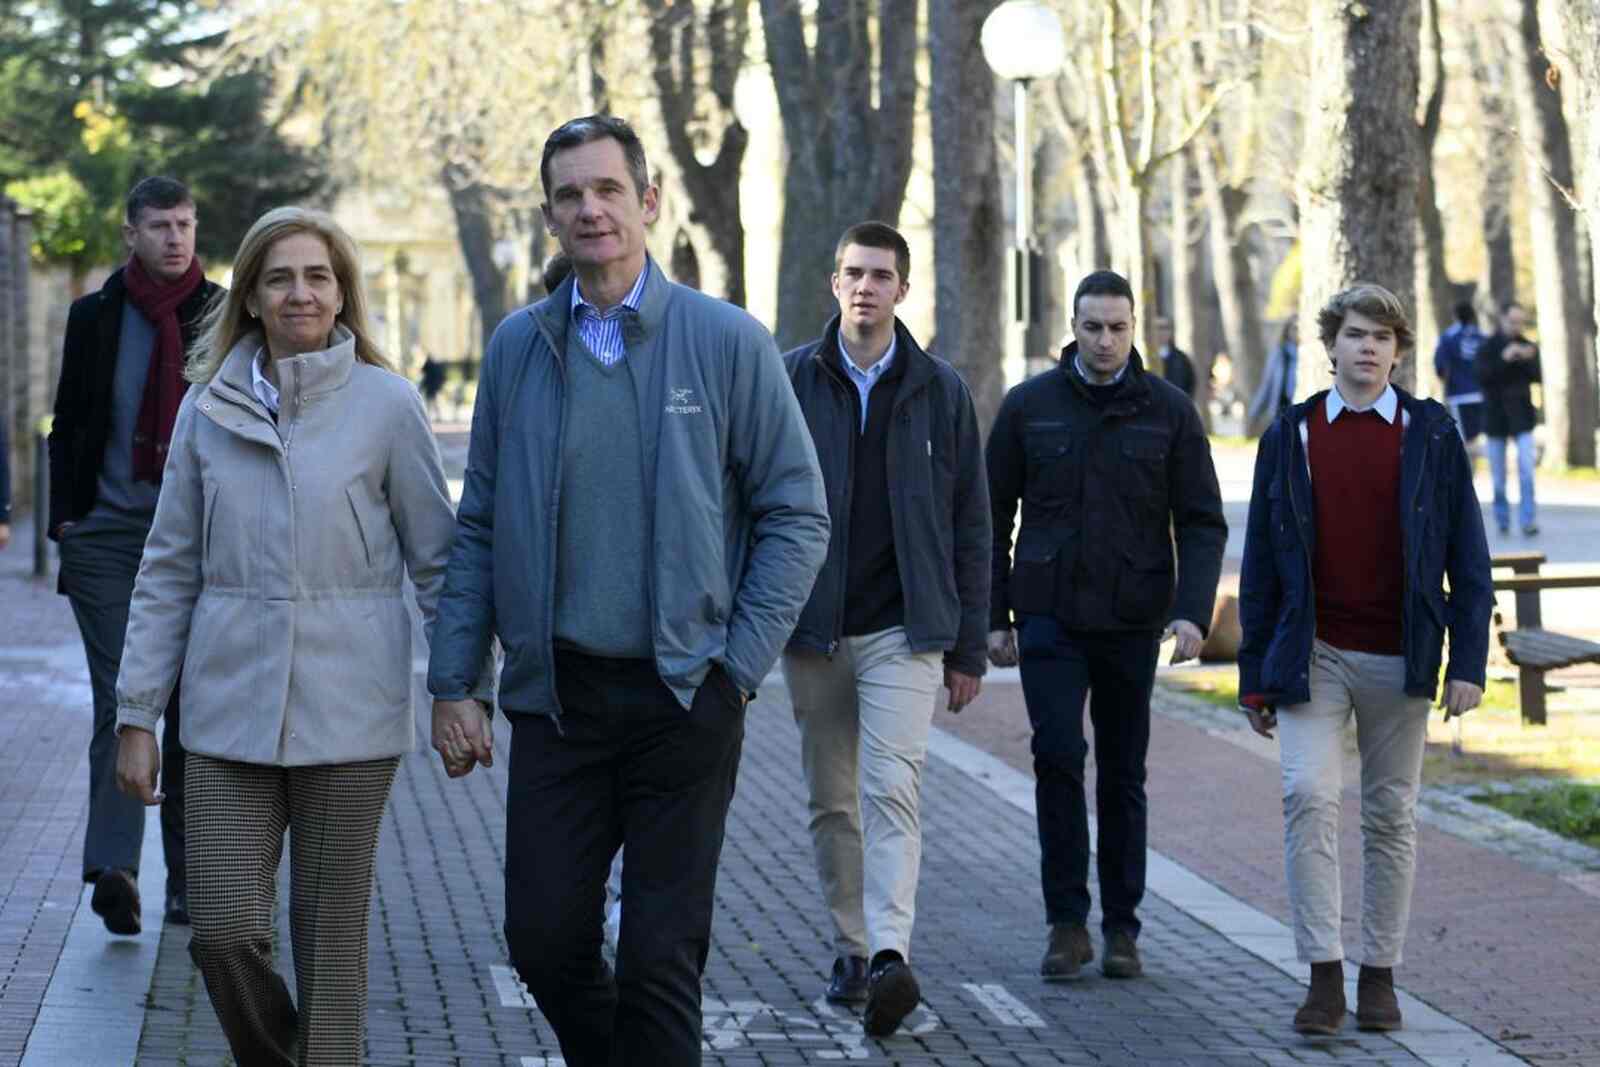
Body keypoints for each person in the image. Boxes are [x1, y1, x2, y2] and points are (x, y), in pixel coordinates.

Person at [426, 115, 829, 1067]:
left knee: (660, 960)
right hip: (559, 700)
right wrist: (457, 681)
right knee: (544, 939)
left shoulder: (727, 341)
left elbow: (797, 514)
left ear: (648, 201)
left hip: (685, 698)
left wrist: (736, 668)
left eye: (609, 189)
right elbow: (480, 522)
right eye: (571, 195)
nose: (591, 209)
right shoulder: (520, 349)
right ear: (550, 216)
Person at [112, 206, 474, 1063]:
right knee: (224, 932)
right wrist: (136, 715)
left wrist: (459, 687)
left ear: (343, 292)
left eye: (317, 276)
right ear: (251, 296)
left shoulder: (387, 406)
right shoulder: (208, 408)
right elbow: (168, 568)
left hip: (352, 715)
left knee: (330, 947)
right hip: (227, 714)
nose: (299, 292)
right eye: (279, 277)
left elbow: (439, 564)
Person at [1236, 283, 1491, 1036]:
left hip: (1402, 655)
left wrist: (1469, 662)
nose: (1369, 348)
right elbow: (1260, 565)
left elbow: (1466, 555)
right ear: (1332, 346)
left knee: (1390, 814)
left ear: (1399, 352)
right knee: (1308, 797)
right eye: (1355, 334)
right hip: (1314, 653)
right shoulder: (1292, 433)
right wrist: (1255, 674)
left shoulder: (1432, 434)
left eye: (1383, 337)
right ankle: (1323, 975)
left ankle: (1378, 974)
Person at [986, 270, 1227, 982]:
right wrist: (993, 617)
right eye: (1092, 326)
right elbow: (991, 514)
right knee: (1057, 757)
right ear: (1073, 326)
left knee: (1123, 773)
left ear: (1135, 328)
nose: (1105, 340)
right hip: (1049, 617)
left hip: (1132, 619)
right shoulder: (1031, 407)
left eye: (1118, 327)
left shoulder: (1169, 411)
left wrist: (1192, 610)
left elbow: (1203, 520)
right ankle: (1067, 923)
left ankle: (1122, 926)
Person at [781, 221, 991, 1036]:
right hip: (815, 629)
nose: (866, 287)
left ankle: (892, 956)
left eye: (881, 275)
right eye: (853, 273)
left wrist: (969, 644)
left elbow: (971, 524)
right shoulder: (792, 379)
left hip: (907, 630)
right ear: (834, 284)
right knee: (832, 800)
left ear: (904, 290)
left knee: (890, 788)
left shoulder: (940, 389)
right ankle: (853, 945)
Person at [46, 176, 221, 933]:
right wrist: (66, 521)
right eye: (159, 226)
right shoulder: (95, 317)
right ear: (131, 234)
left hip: (200, 540)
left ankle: (187, 879)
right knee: (127, 693)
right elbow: (71, 416)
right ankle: (116, 867)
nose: (174, 238)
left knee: (190, 706)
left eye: (184, 223)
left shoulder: (221, 314)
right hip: (108, 539)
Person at [1476, 302, 1541, 536]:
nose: (1516, 327)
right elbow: (1482, 377)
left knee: (1526, 470)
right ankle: (1502, 520)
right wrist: (1504, 358)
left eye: (1520, 322)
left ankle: (1528, 520)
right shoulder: (1487, 346)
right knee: (1499, 477)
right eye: (1512, 321)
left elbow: (1538, 376)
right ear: (1502, 319)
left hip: (1522, 417)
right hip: (1496, 418)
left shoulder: (1528, 345)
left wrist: (1528, 357)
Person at [1432, 299, 1485, 444]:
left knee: (1462, 441)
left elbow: (1440, 365)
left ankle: (1468, 466)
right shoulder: (1482, 336)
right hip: (1482, 394)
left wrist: (1445, 382)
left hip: (1459, 395)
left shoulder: (1448, 337)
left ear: (1455, 315)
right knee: (1480, 438)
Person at [1249, 319, 1300, 426]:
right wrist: (1254, 411)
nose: (1297, 331)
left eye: (1299, 328)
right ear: (1287, 330)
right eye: (1294, 328)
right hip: (1281, 407)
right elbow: (1267, 384)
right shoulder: (1279, 353)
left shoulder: (1306, 353)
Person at [1153, 315, 1197, 398]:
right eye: (1158, 328)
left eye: (1165, 328)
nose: (1161, 332)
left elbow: (1190, 383)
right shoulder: (1140, 358)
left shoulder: (1181, 358)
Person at [419, 352, 446, 421]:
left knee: (430, 402)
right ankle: (437, 416)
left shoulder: (428, 366)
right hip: (434, 387)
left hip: (430, 387)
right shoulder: (436, 366)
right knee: (434, 402)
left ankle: (430, 416)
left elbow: (422, 371)